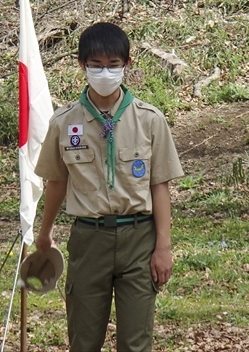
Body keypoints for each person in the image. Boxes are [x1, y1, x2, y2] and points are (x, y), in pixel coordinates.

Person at [34, 22, 183, 352]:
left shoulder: (149, 119)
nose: (105, 72)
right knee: (84, 339)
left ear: (127, 65)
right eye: (96, 65)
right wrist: (44, 232)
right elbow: (56, 183)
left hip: (139, 238)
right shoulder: (64, 122)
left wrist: (163, 247)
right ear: (81, 65)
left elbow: (160, 187)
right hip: (89, 238)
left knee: (136, 340)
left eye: (113, 65)